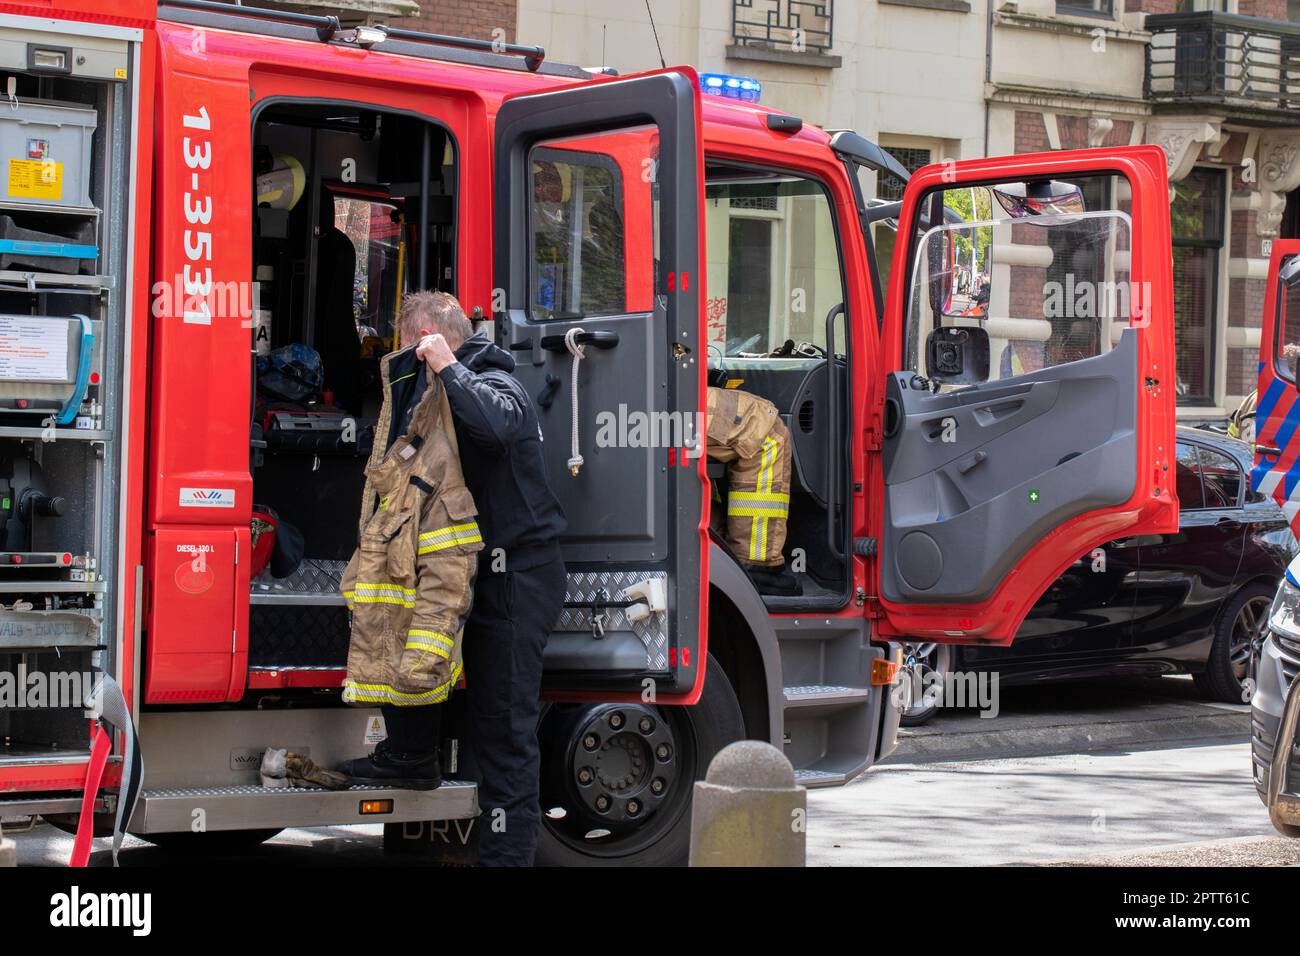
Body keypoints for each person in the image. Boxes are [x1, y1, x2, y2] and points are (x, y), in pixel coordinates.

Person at [413, 290, 567, 867]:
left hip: (518, 578)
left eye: (415, 347)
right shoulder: (449, 388)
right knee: (480, 722)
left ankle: (507, 861)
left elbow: (497, 427)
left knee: (505, 731)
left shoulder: (497, 382)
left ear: (435, 337)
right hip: (484, 577)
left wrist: (447, 365)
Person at [336, 293, 484, 790]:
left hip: (436, 530)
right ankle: (404, 752)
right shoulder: (430, 384)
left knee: (424, 643)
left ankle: (415, 757)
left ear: (426, 338)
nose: (399, 350)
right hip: (406, 527)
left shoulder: (460, 387)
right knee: (385, 620)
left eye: (406, 340)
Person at [706, 384, 799, 595]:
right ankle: (755, 562)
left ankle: (715, 535)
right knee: (767, 432)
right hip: (652, 404)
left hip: (633, 402)